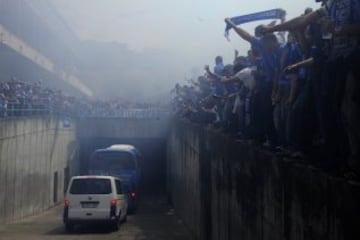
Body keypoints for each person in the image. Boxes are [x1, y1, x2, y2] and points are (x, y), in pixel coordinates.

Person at [265, 0, 360, 176]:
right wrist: (273, 29)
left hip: (352, 62)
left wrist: (338, 30)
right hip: (333, 67)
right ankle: (338, 161)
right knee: (332, 116)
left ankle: (351, 164)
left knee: (349, 114)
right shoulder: (328, 8)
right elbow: (300, 21)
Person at [225, 18, 281, 147]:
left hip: (274, 83)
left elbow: (246, 36)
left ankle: (273, 141)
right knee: (263, 112)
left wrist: (232, 24)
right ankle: (266, 139)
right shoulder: (270, 46)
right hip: (270, 83)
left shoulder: (265, 45)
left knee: (269, 113)